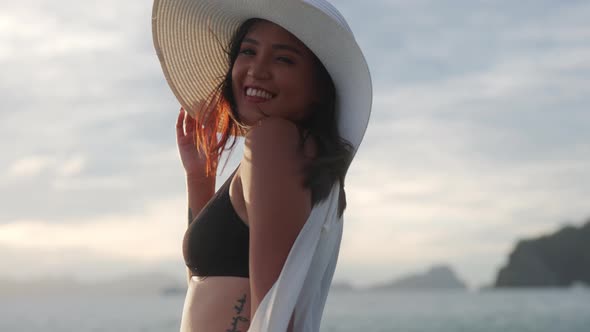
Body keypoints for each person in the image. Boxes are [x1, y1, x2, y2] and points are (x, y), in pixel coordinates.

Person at [152, 0, 372, 331]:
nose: (257, 69)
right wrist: (201, 177)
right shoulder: (296, 157)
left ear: (319, 88)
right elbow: (209, 281)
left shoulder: (275, 140)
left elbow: (276, 310)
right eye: (248, 51)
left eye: (283, 59)